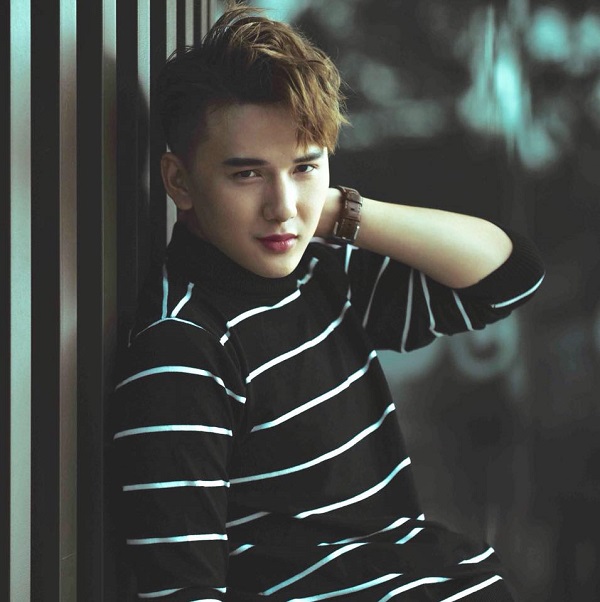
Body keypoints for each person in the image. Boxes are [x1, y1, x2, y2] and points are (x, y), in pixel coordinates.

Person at [111, 3, 545, 600]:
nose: (282, 207)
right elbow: (182, 593)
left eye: (304, 167)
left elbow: (508, 276)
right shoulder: (185, 351)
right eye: (247, 174)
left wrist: (340, 212)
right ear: (178, 181)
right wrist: (307, 192)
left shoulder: (321, 274)